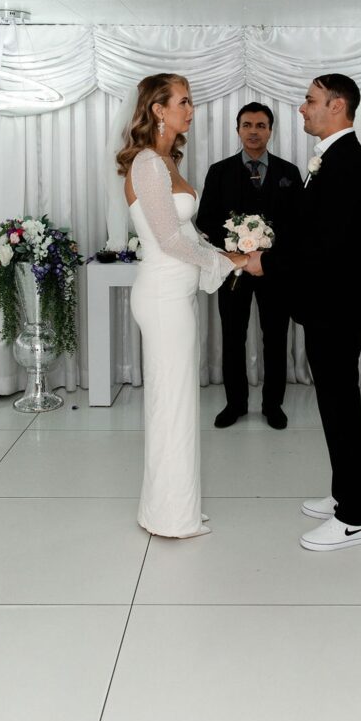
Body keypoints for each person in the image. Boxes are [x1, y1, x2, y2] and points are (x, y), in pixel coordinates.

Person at [245, 75, 361, 551]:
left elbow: (326, 246)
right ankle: (345, 493)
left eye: (310, 100)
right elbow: (309, 228)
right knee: (333, 406)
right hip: (328, 305)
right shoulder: (332, 158)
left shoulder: (346, 164)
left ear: (337, 106)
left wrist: (266, 260)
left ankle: (356, 517)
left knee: (341, 409)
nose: (302, 109)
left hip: (336, 309)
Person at [116, 74, 248, 539]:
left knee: (177, 400)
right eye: (184, 101)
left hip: (176, 294)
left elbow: (186, 233)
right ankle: (171, 515)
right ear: (158, 109)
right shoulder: (149, 165)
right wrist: (231, 260)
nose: (191, 109)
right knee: (171, 403)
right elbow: (170, 240)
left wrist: (224, 249)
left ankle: (175, 504)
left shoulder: (167, 162)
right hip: (162, 295)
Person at [197, 102, 304, 430]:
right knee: (232, 336)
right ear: (238, 129)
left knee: (275, 337)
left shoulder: (289, 172)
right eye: (247, 125)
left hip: (275, 269)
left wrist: (268, 253)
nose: (254, 131)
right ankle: (235, 404)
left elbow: (300, 224)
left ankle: (273, 405)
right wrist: (234, 248)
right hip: (232, 270)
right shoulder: (219, 171)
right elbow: (205, 219)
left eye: (260, 125)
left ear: (270, 130)